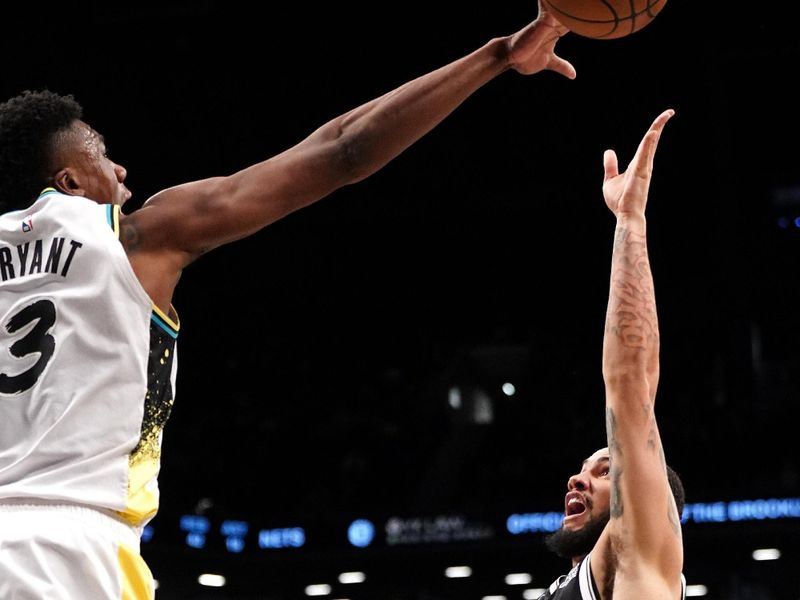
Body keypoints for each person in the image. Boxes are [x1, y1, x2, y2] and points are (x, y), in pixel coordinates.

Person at [0, 4, 576, 600]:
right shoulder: (135, 236)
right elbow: (341, 151)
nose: (120, 169)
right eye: (99, 154)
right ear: (68, 183)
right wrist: (499, 55)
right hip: (72, 550)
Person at [537, 109, 686, 600]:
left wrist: (630, 223)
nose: (578, 478)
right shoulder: (574, 584)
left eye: (606, 470)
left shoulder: (636, 547)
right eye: (588, 468)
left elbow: (630, 383)